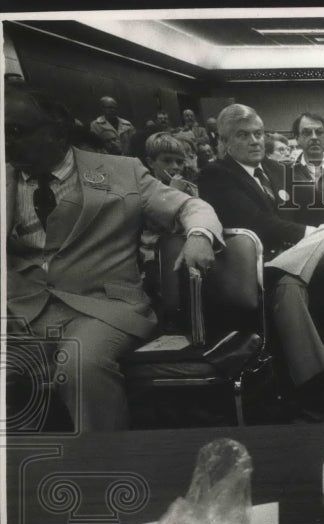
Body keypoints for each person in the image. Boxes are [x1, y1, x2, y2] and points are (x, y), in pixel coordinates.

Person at [5, 87, 220, 431]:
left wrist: (198, 236)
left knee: (80, 363)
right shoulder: (5, 179)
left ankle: (105, 466)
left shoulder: (122, 172)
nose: (5, 142)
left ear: (57, 130)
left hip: (104, 308)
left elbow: (189, 206)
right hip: (21, 311)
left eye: (16, 131)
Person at [198, 104, 324, 419]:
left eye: (258, 134)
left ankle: (309, 388)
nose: (254, 141)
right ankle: (314, 387)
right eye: (243, 135)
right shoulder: (216, 174)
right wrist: (315, 232)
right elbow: (257, 223)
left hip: (283, 261)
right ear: (225, 141)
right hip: (246, 265)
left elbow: (312, 206)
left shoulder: (277, 169)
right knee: (308, 264)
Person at [145, 131, 199, 197]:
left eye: (180, 162)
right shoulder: (147, 192)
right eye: (167, 161)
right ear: (151, 163)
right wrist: (175, 191)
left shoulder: (190, 188)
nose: (175, 166)